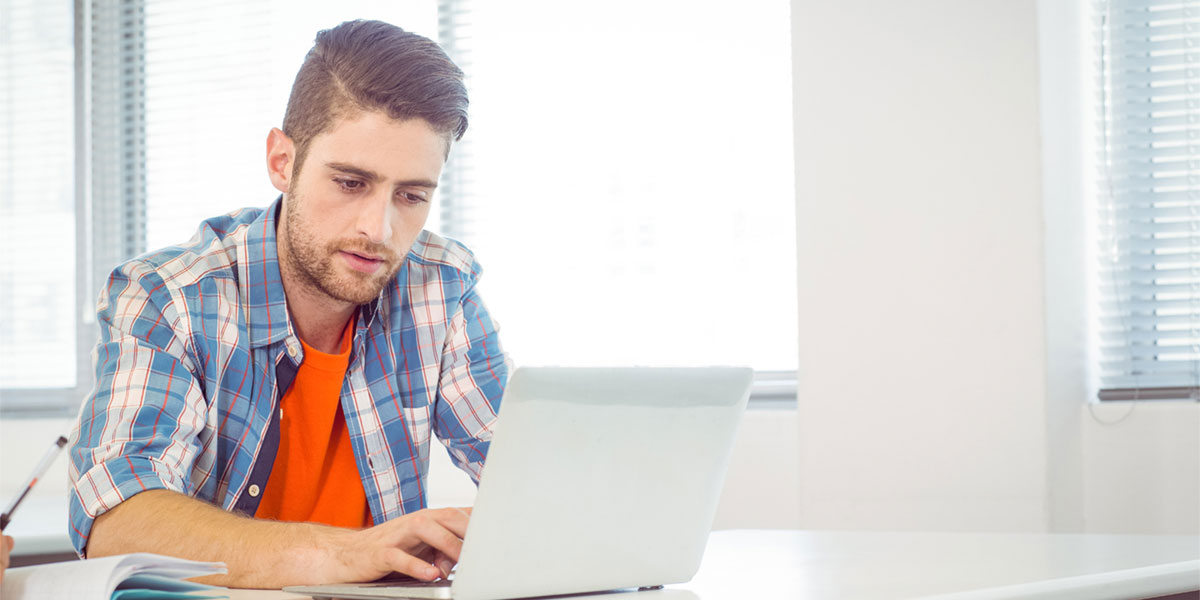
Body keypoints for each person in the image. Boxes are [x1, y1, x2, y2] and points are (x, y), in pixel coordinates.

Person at [66, 20, 509, 589]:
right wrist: (343, 553)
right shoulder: (169, 296)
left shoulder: (441, 288)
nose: (378, 228)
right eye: (350, 183)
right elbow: (116, 518)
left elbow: (527, 476)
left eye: (412, 195)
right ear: (282, 161)